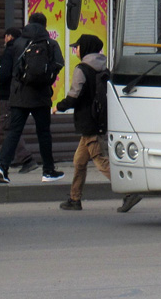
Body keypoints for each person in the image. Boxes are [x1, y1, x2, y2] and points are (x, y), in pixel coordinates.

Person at [54, 34, 142, 213]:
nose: (75, 50)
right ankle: (74, 198)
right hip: (100, 120)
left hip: (88, 122)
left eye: (77, 47)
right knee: (79, 161)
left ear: (84, 48)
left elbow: (74, 95)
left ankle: (130, 191)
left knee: (101, 161)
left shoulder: (82, 69)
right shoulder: (103, 69)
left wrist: (59, 107)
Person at [0, 12, 65, 183]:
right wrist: (46, 76)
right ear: (45, 25)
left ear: (29, 23)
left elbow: (9, 69)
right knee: (43, 133)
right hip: (41, 95)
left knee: (14, 132)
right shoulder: (51, 43)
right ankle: (48, 171)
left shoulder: (16, 44)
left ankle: (2, 168)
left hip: (19, 95)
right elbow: (59, 63)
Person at [0, 26, 37, 174]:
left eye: (5, 37)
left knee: (9, 128)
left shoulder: (10, 51)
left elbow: (4, 74)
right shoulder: (23, 51)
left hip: (6, 95)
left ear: (9, 37)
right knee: (10, 127)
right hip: (17, 94)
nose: (4, 40)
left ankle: (26, 159)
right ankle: (7, 159)